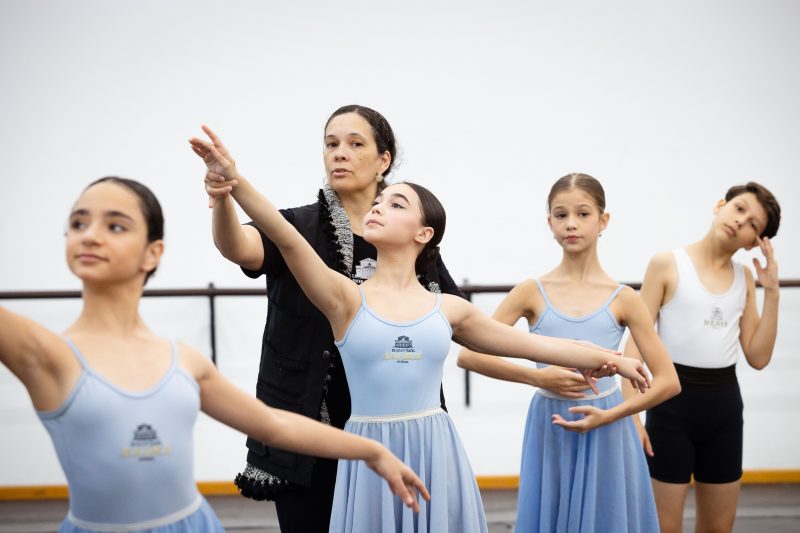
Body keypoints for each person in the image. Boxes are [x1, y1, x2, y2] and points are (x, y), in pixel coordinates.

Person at [188, 133, 652, 532]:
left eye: (396, 202)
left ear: (423, 233)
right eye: (378, 203)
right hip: (369, 453)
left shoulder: (448, 308)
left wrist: (617, 360)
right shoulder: (344, 299)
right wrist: (233, 179)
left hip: (436, 449)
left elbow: (536, 344)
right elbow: (285, 237)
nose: (378, 206)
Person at [0, 177, 430, 533]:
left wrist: (372, 452)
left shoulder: (183, 361)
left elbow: (275, 424)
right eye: (77, 223)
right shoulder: (46, 355)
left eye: (115, 226)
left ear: (154, 252)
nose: (90, 234)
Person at [195, 105, 465, 532]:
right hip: (307, 427)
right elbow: (238, 246)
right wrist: (225, 196)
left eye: (355, 144)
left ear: (384, 160)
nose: (339, 153)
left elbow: (457, 318)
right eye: (331, 143)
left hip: (393, 426)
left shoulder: (405, 237)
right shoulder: (297, 225)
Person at [457, 173, 681, 532]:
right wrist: (536, 376)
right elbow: (469, 354)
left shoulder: (625, 298)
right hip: (550, 422)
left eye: (583, 213)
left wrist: (615, 415)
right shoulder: (531, 291)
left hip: (608, 423)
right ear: (550, 223)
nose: (571, 224)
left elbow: (668, 382)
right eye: (561, 215)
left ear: (603, 220)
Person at [623, 181, 781, 533]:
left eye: (754, 224)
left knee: (719, 528)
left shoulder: (744, 278)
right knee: (664, 527)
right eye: (739, 209)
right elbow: (637, 338)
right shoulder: (667, 264)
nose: (741, 221)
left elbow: (757, 356)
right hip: (670, 408)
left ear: (756, 241)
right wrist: (631, 412)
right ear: (720, 205)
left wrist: (771, 290)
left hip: (724, 410)